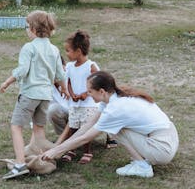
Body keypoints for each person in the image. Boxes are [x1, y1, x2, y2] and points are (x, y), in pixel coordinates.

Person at [41, 71, 179, 178]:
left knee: (115, 130)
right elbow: (88, 124)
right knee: (114, 127)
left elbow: (86, 138)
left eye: (90, 91)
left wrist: (56, 151)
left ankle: (142, 166)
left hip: (162, 148)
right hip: (168, 137)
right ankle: (142, 161)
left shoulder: (115, 109)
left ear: (101, 91)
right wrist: (59, 147)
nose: (88, 95)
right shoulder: (112, 98)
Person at [0, 10, 67, 180]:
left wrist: (7, 81)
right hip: (45, 96)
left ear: (34, 29)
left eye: (27, 27)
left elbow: (22, 70)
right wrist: (65, 89)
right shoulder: (54, 49)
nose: (26, 30)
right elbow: (60, 74)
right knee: (38, 131)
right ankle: (49, 156)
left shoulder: (29, 48)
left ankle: (20, 164)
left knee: (16, 126)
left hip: (30, 94)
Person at [57, 30, 100, 164]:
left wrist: (85, 94)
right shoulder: (70, 66)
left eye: (68, 51)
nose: (67, 54)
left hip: (88, 104)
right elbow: (68, 81)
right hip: (74, 103)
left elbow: (97, 82)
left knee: (85, 127)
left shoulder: (90, 66)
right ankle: (72, 149)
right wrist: (71, 93)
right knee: (73, 126)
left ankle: (87, 151)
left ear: (79, 51)